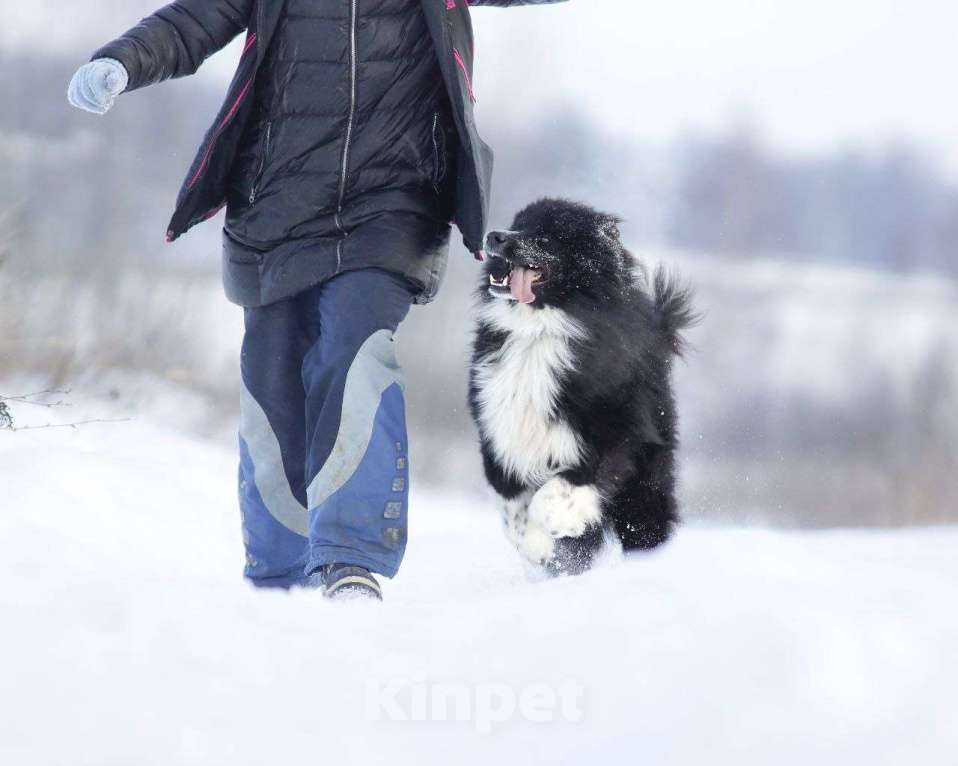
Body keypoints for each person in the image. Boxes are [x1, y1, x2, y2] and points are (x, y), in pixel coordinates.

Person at [68, 0, 567, 600]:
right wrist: (123, 61)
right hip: (276, 199)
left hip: (394, 201)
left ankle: (349, 559)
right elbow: (194, 21)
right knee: (273, 374)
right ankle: (282, 575)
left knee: (356, 351)